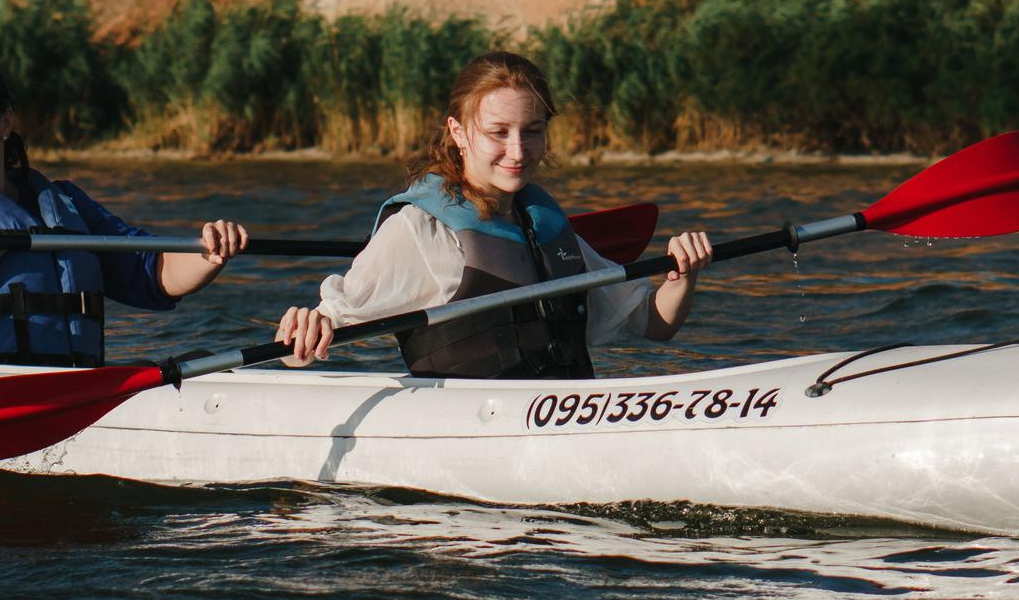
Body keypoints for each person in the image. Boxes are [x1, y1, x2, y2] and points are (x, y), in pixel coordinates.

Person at [273, 51, 712, 376]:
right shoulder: (422, 230)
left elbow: (654, 324)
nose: (518, 151)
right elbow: (300, 349)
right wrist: (308, 327)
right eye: (498, 133)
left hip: (560, 418)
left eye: (533, 132)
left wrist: (684, 276)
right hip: (476, 433)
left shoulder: (544, 225)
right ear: (459, 133)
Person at [0, 49, 249, 363]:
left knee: (200, 363)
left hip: (73, 392)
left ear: (5, 118)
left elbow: (152, 272)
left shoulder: (64, 202)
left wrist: (208, 251)